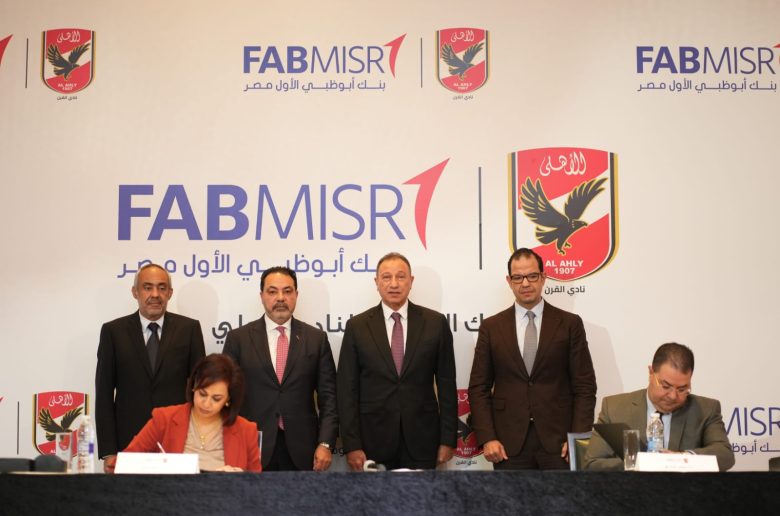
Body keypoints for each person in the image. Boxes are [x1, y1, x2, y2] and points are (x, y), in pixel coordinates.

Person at [468, 247, 597, 470]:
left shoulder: (569, 324)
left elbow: (584, 385)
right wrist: (487, 437)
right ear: (509, 281)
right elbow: (479, 387)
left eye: (532, 276)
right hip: (507, 445)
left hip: (560, 443)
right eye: (518, 278)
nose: (525, 283)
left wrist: (578, 438)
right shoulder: (491, 327)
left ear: (543, 277)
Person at [337, 252, 457, 470]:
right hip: (372, 441)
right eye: (386, 277)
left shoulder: (435, 323)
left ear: (411, 281)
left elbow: (447, 385)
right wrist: (352, 444)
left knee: (421, 494)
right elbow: (347, 390)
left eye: (401, 277)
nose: (394, 284)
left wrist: (448, 439)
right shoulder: (357, 327)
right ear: (377, 282)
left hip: (423, 440)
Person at [223, 266, 337, 471]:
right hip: (252, 446)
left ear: (296, 295)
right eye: (272, 291)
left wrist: (325, 443)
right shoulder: (238, 339)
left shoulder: (316, 339)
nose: (281, 298)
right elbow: (226, 395)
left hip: (304, 450)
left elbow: (329, 398)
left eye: (287, 291)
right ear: (261, 296)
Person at [95, 263, 206, 473]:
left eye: (162, 288)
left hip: (178, 443)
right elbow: (104, 394)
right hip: (128, 443)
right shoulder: (113, 332)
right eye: (147, 287)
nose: (155, 294)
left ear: (170, 293)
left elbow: (200, 390)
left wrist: (198, 443)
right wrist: (109, 451)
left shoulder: (189, 329)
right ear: (135, 292)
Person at [583, 342, 735, 471]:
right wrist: (641, 464)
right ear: (651, 373)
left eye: (682, 389)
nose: (673, 396)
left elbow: (725, 455)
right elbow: (592, 464)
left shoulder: (706, 409)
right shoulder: (615, 408)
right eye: (666, 386)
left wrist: (683, 459)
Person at [124, 353, 261, 472]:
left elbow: (258, 485)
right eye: (202, 394)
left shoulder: (246, 430)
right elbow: (123, 464)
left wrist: (239, 478)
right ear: (193, 386)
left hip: (223, 494)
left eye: (216, 399)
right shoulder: (164, 419)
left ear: (228, 399)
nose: (206, 404)